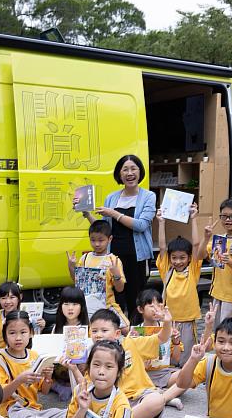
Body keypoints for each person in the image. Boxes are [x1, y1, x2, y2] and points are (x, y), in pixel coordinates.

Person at [79, 155, 156, 321]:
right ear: (119, 174)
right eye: (125, 169)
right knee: (116, 299)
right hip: (113, 259)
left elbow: (141, 225)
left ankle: (136, 336)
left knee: (137, 300)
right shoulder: (112, 197)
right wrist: (86, 214)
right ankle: (117, 337)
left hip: (137, 257)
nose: (130, 173)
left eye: (133, 168)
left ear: (140, 172)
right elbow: (104, 230)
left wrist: (114, 213)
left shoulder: (148, 196)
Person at [0, 311, 70, 418]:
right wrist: (18, 380)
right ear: (5, 335)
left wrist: (48, 377)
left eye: (23, 332)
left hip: (35, 409)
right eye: (12, 333)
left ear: (30, 333)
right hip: (13, 410)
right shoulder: (0, 359)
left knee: (68, 413)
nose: (18, 338)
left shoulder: (34, 356)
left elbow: (44, 391)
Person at [89, 309, 170, 418]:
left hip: (140, 397)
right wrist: (73, 368)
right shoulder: (92, 354)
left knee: (157, 401)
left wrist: (167, 322)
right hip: (113, 402)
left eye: (104, 330)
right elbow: (87, 386)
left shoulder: (130, 343)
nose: (98, 335)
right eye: (94, 331)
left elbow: (161, 338)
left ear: (117, 333)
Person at [155, 203, 201, 365]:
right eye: (174, 257)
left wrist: (194, 218)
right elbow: (162, 247)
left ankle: (185, 377)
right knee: (166, 354)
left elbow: (196, 245)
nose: (178, 261)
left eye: (182, 257)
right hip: (168, 321)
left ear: (189, 258)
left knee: (187, 356)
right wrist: (161, 223)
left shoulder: (193, 270)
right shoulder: (167, 270)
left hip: (187, 321)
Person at [67, 220, 129, 328]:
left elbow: (120, 289)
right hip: (86, 306)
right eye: (93, 240)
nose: (96, 244)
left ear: (109, 239)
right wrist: (71, 266)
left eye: (101, 240)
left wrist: (116, 274)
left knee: (126, 329)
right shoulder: (85, 258)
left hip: (107, 305)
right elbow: (76, 281)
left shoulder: (114, 260)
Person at [196, 197, 232, 323]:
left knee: (229, 332)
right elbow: (200, 255)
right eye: (224, 216)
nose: (228, 220)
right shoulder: (219, 239)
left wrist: (228, 260)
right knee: (216, 331)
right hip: (217, 293)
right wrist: (206, 237)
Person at [132, 289, 185, 410]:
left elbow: (176, 359)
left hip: (164, 373)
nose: (155, 308)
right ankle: (166, 396)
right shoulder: (136, 332)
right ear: (140, 309)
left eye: (158, 305)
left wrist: (176, 342)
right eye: (151, 305)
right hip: (143, 375)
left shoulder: (167, 329)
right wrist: (142, 364)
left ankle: (161, 397)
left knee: (186, 378)